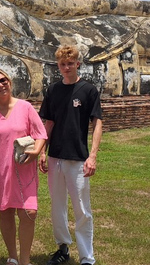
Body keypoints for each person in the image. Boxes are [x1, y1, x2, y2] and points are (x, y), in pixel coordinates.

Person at [39, 45, 103, 265]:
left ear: (78, 64)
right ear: (58, 66)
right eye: (62, 64)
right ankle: (62, 247)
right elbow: (49, 123)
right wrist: (42, 150)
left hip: (78, 157)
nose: (66, 67)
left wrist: (92, 156)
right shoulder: (53, 90)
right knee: (57, 206)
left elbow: (97, 123)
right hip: (56, 156)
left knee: (82, 209)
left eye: (70, 63)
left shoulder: (88, 90)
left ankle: (87, 257)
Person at [0, 69, 47, 265]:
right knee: (5, 210)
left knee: (29, 212)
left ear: (10, 82)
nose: (1, 85)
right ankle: (13, 257)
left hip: (23, 167)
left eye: (4, 80)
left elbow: (40, 133)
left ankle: (25, 259)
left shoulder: (25, 107)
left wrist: (37, 152)